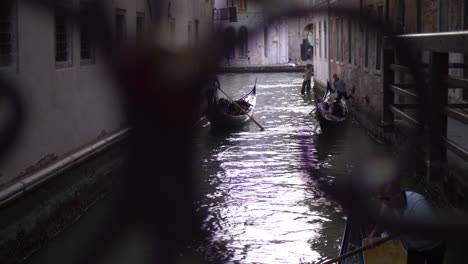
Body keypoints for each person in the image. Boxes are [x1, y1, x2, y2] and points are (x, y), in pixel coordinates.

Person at [366, 182, 446, 264]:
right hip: (414, 246)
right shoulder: (387, 206)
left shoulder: (418, 204)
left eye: (387, 199)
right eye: (381, 199)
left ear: (398, 195)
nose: (385, 203)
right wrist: (371, 236)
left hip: (434, 246)